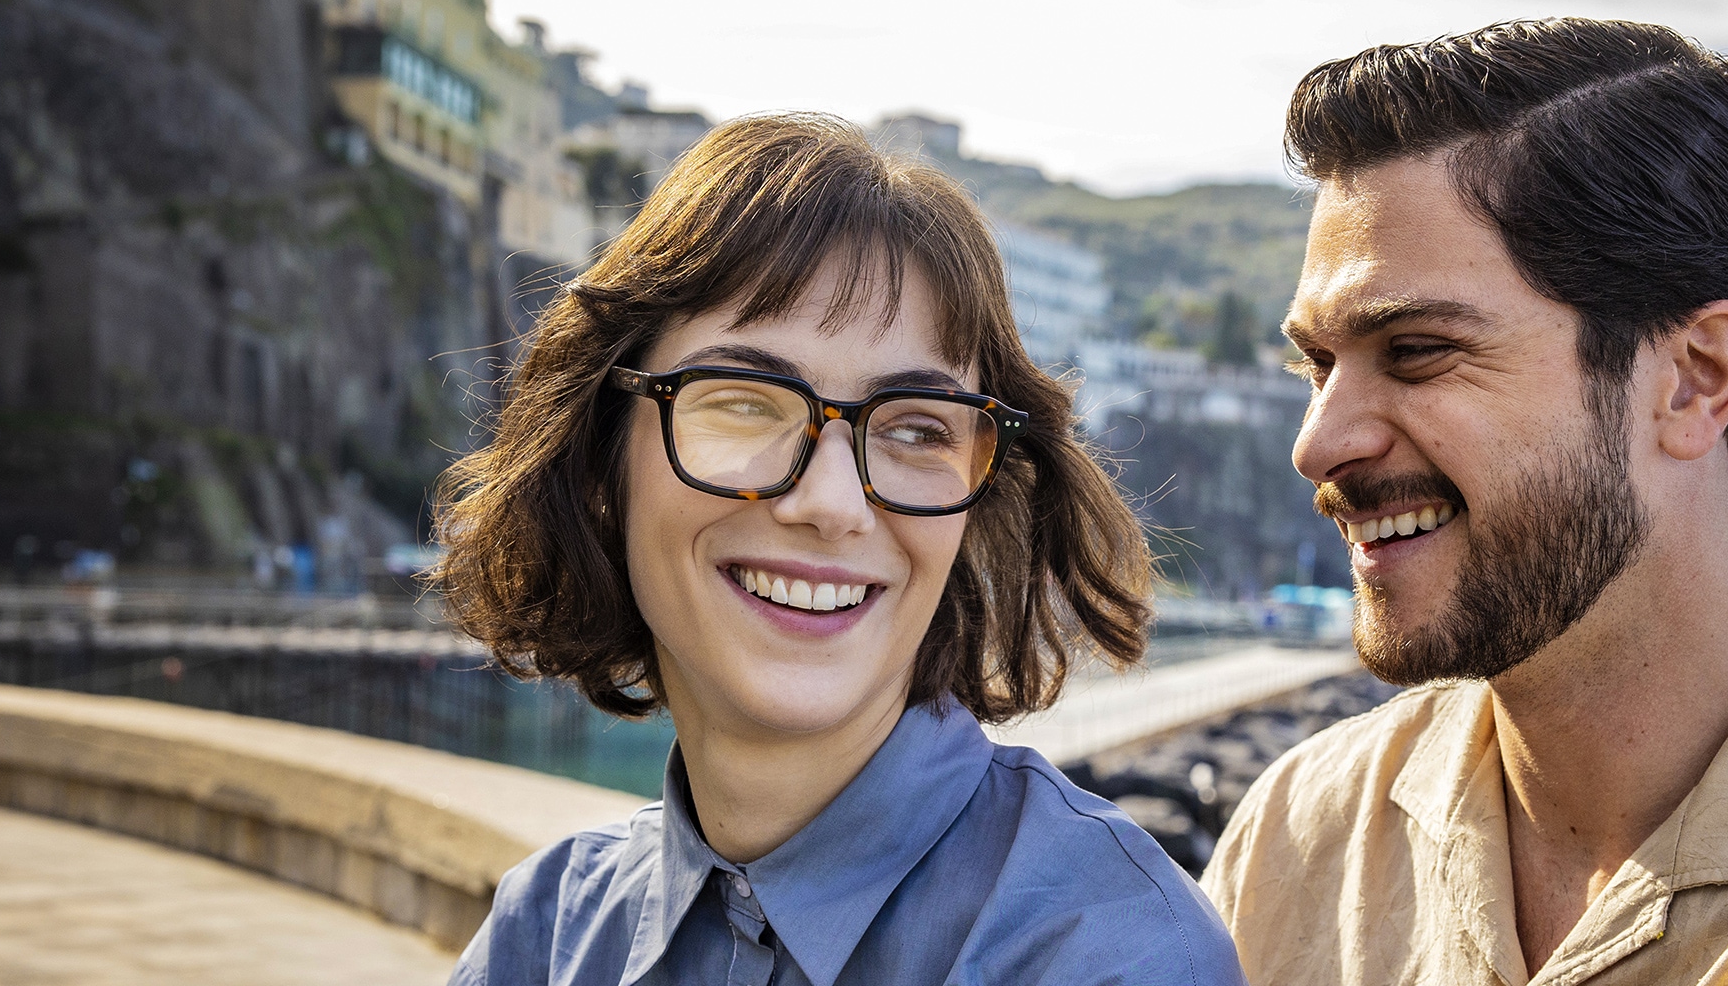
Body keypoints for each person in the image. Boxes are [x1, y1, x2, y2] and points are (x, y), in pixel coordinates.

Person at [435, 114, 1244, 986]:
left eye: (916, 429)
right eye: (744, 401)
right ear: (600, 458)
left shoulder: (1109, 953)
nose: (830, 503)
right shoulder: (547, 932)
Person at [1203, 18, 1728, 984]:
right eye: (1317, 364)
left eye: (1417, 352)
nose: (1317, 442)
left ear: (1695, 378)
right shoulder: (1301, 840)